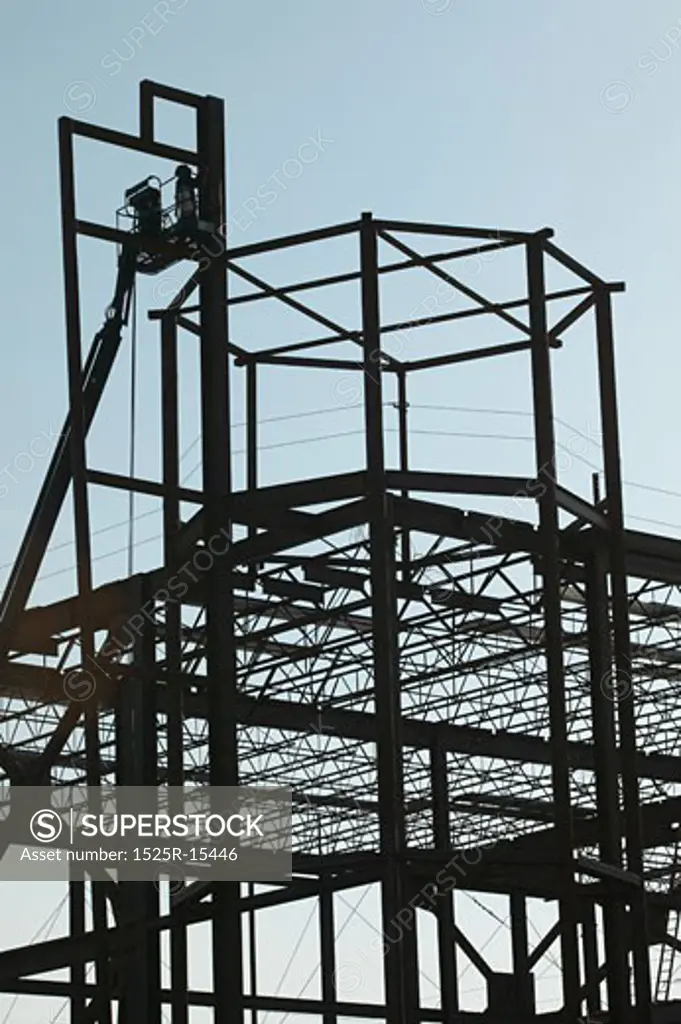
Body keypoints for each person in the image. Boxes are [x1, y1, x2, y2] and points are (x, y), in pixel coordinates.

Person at [175, 164, 198, 230]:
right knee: (192, 221)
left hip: (184, 207)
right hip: (188, 206)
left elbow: (177, 197)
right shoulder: (186, 180)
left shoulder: (179, 183)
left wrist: (176, 209)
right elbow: (196, 183)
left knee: (187, 219)